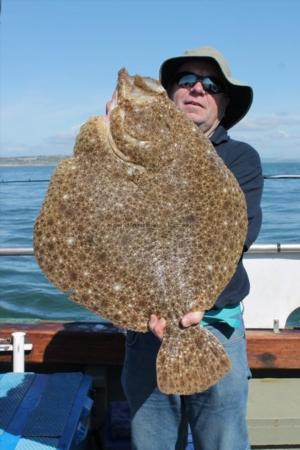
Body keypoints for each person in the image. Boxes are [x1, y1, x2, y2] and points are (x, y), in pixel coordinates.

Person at [120, 47, 264, 450]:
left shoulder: (240, 158)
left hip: (215, 324)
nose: (197, 89)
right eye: (186, 80)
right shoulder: (134, 155)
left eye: (211, 84)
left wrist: (193, 301)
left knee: (224, 442)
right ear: (168, 96)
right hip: (147, 327)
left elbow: (237, 236)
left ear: (223, 102)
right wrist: (119, 132)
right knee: (151, 442)